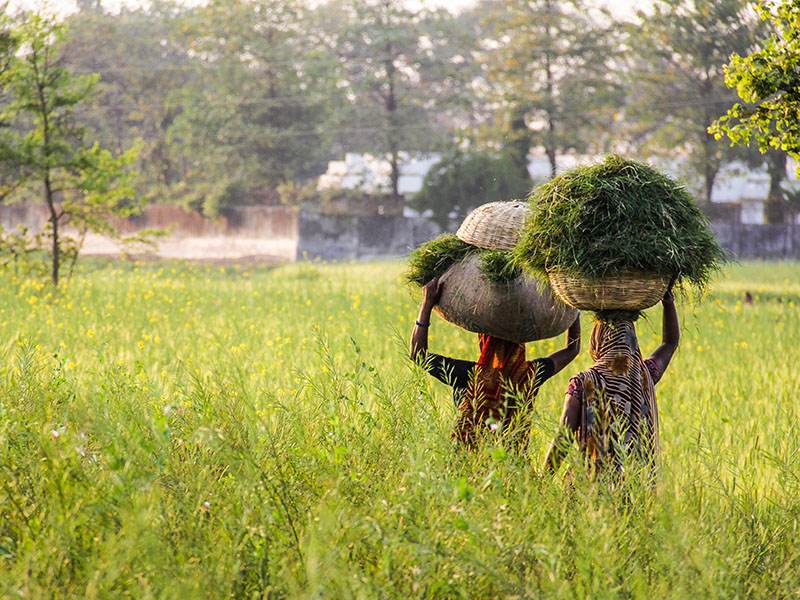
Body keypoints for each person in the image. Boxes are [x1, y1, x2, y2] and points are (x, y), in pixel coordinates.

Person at [410, 277, 581, 447]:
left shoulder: (470, 375)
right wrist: (573, 309)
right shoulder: (528, 375)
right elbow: (572, 349)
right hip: (513, 469)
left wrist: (427, 304)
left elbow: (418, 354)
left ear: (484, 341)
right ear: (520, 342)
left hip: (469, 468)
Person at [543, 287, 679, 476]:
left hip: (588, 490)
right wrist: (668, 302)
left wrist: (544, 479)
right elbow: (670, 343)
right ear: (632, 340)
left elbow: (563, 438)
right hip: (633, 491)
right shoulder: (643, 376)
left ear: (599, 339)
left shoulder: (584, 382)